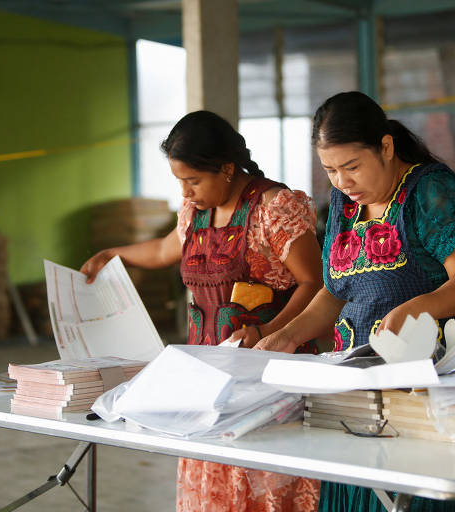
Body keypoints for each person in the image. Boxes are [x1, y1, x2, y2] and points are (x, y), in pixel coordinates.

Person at [258, 91, 455, 511]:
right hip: (358, 395)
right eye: (330, 170)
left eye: (352, 167)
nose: (342, 182)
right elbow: (335, 292)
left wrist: (418, 307)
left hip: (424, 393)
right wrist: (286, 335)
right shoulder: (345, 207)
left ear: (385, 146)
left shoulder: (430, 191)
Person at [81, 110, 323, 511]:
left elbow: (315, 284)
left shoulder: (274, 207)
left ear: (226, 169)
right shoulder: (195, 213)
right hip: (205, 383)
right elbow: (162, 249)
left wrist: (269, 333)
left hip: (268, 384)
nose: (186, 192)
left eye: (193, 180)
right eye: (180, 181)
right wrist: (112, 253)